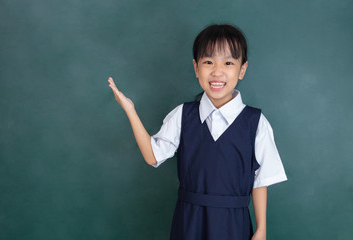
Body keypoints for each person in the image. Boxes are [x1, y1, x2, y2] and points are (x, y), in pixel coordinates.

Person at [108, 23, 287, 240]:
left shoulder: (255, 122)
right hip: (189, 223)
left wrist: (261, 229)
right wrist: (131, 110)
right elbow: (152, 155)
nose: (217, 72)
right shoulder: (183, 115)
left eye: (228, 62)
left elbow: (260, 180)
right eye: (208, 62)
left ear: (242, 69)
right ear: (196, 68)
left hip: (233, 224)